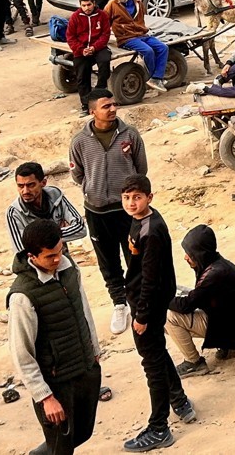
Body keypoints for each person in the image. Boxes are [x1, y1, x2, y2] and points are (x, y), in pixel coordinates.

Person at [8, 219, 102, 455]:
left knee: (82, 433)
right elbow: (22, 352)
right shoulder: (22, 297)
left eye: (59, 251)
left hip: (84, 369)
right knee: (61, 447)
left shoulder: (68, 267)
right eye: (50, 256)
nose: (58, 259)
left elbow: (84, 309)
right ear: (32, 256)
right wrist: (44, 396)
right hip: (56, 383)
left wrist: (94, 352)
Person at [120, 174, 196, 451]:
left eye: (137, 197)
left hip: (147, 305)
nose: (131, 202)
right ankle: (180, 402)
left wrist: (141, 317)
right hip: (145, 299)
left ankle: (159, 427)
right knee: (158, 353)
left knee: (151, 363)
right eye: (127, 198)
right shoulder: (142, 220)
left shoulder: (151, 230)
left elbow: (150, 279)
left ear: (149, 198)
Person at [69, 88, 147, 334]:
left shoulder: (130, 135)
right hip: (97, 212)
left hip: (128, 212)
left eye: (114, 104)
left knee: (135, 257)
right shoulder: (80, 141)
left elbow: (140, 169)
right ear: (93, 112)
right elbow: (77, 174)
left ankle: (139, 304)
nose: (113, 109)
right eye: (106, 106)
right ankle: (119, 303)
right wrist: (95, 189)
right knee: (108, 261)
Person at [166, 225, 235, 377]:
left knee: (169, 317)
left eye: (190, 254)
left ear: (200, 253)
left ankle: (194, 362)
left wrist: (160, 298)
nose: (186, 257)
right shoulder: (217, 264)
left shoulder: (214, 274)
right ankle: (225, 346)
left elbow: (186, 306)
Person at [7, 161, 87, 254]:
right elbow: (21, 252)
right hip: (35, 266)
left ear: (43, 183)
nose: (25, 191)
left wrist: (36, 239)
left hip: (62, 257)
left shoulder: (56, 197)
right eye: (20, 186)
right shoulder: (14, 213)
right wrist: (56, 233)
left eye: (31, 185)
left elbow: (80, 228)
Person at [104, 0, 169, 92]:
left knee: (163, 48)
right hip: (126, 37)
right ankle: (154, 78)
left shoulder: (138, 3)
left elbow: (143, 18)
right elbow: (105, 22)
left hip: (142, 34)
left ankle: (156, 78)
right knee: (148, 51)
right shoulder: (112, 5)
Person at [67, 0, 113, 115]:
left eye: (89, 5)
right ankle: (85, 104)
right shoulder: (75, 17)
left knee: (104, 62)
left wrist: (94, 47)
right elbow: (70, 37)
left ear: (93, 3)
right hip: (81, 50)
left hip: (98, 48)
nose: (86, 8)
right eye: (84, 5)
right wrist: (81, 49)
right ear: (80, 5)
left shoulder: (102, 15)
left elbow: (105, 34)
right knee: (82, 75)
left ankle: (100, 92)